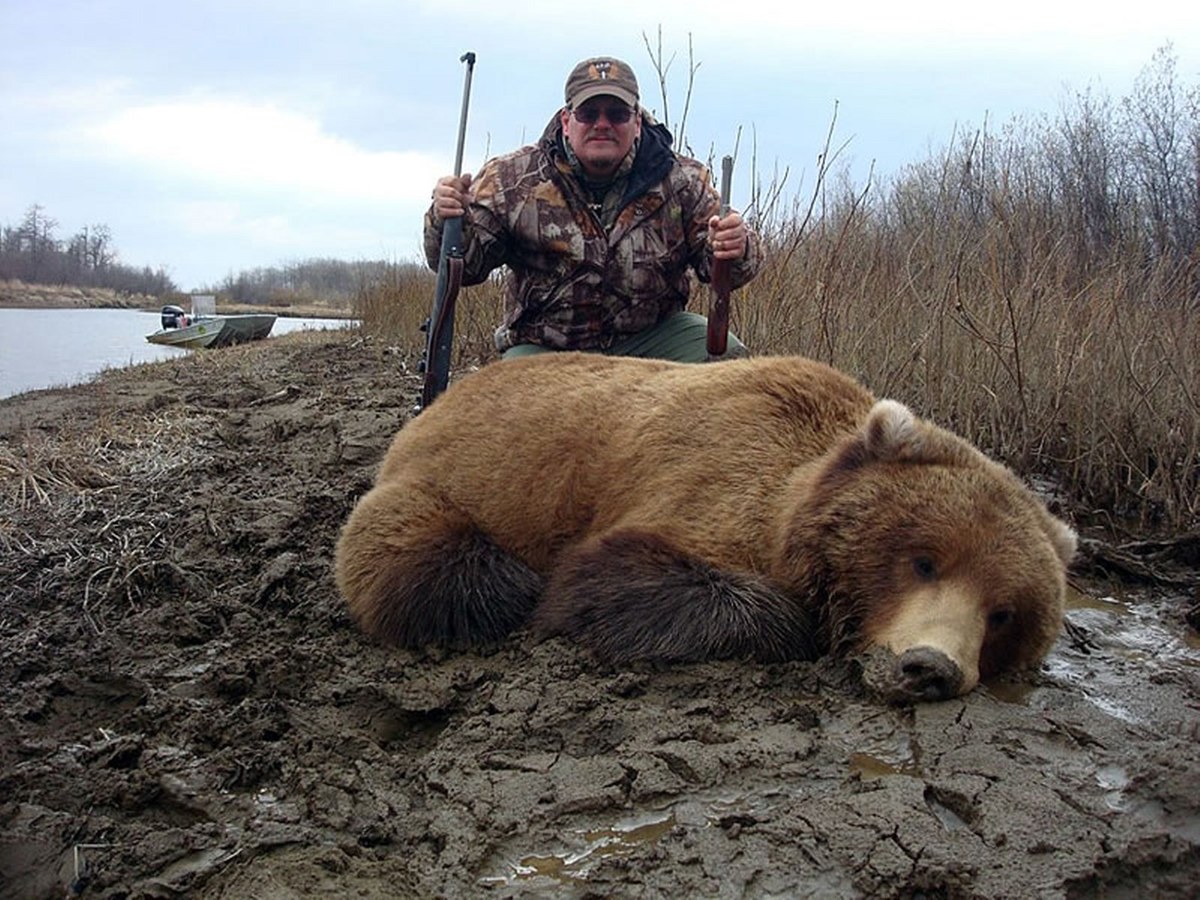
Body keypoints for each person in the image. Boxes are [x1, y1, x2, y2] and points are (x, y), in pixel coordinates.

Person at [425, 56, 762, 362]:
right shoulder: (510, 179)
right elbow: (464, 268)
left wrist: (736, 245)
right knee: (511, 414)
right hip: (546, 345)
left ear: (637, 122)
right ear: (567, 120)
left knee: (729, 360)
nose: (602, 124)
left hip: (651, 338)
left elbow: (725, 272)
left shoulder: (684, 180)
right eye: (589, 114)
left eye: (616, 114)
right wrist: (445, 220)